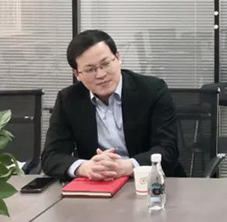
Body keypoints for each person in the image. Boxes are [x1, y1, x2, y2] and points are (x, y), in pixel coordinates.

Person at [41, 29, 181, 180]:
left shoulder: (152, 90)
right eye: (90, 69)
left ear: (118, 58)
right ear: (77, 74)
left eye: (106, 64)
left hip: (150, 181)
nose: (101, 75)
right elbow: (51, 156)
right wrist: (85, 168)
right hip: (97, 183)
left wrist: (127, 167)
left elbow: (167, 149)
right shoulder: (68, 99)